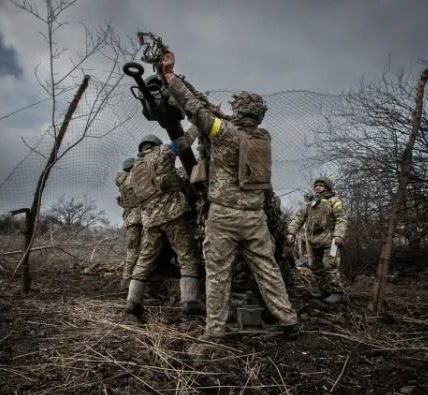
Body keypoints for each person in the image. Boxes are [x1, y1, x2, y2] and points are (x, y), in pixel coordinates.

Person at [161, 52, 299, 339]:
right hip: (255, 216)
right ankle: (289, 321)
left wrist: (171, 77)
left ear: (239, 113)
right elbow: (221, 117)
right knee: (267, 269)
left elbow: (194, 109)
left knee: (218, 275)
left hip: (223, 216)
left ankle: (214, 332)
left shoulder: (223, 133)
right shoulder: (263, 137)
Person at [125, 134, 203, 317]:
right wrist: (198, 125)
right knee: (185, 255)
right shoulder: (163, 152)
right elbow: (184, 142)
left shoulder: (134, 168)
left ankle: (132, 302)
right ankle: (190, 301)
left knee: (145, 259)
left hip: (149, 220)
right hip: (172, 214)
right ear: (156, 145)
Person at [287, 177, 348, 304]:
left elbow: (341, 218)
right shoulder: (311, 203)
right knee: (316, 266)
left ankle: (337, 292)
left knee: (329, 265)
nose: (318, 187)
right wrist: (291, 232)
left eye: (321, 185)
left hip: (331, 242)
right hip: (314, 242)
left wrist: (339, 235)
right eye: (316, 185)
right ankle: (324, 290)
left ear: (327, 187)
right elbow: (299, 218)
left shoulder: (334, 201)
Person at [115, 157, 142, 289]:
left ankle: (126, 281)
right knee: (140, 252)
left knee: (132, 251)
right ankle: (134, 283)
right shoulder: (133, 179)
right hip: (140, 219)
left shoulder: (121, 181)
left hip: (130, 220)